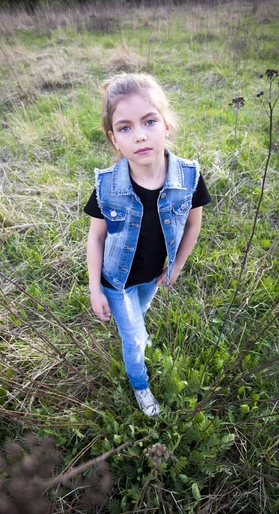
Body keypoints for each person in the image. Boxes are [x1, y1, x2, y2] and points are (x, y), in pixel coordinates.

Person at [84, 73, 211, 416]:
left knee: (139, 316)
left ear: (166, 123)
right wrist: (95, 288)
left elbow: (193, 224)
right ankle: (141, 387)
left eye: (149, 121)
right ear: (114, 139)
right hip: (117, 279)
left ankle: (134, 329)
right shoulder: (108, 186)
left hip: (153, 274)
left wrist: (177, 265)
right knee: (135, 338)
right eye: (125, 128)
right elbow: (96, 237)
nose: (139, 135)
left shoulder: (188, 177)